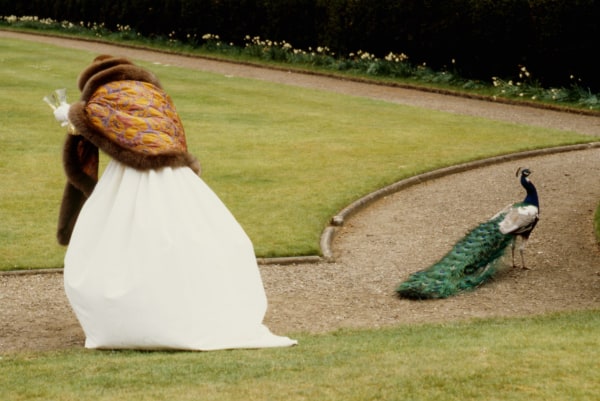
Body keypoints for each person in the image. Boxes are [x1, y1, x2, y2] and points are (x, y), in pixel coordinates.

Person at [50, 55, 297, 350]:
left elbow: (88, 128)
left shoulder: (104, 96)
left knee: (121, 239)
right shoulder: (157, 96)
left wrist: (69, 115)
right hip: (176, 175)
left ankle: (136, 319)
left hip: (127, 174)